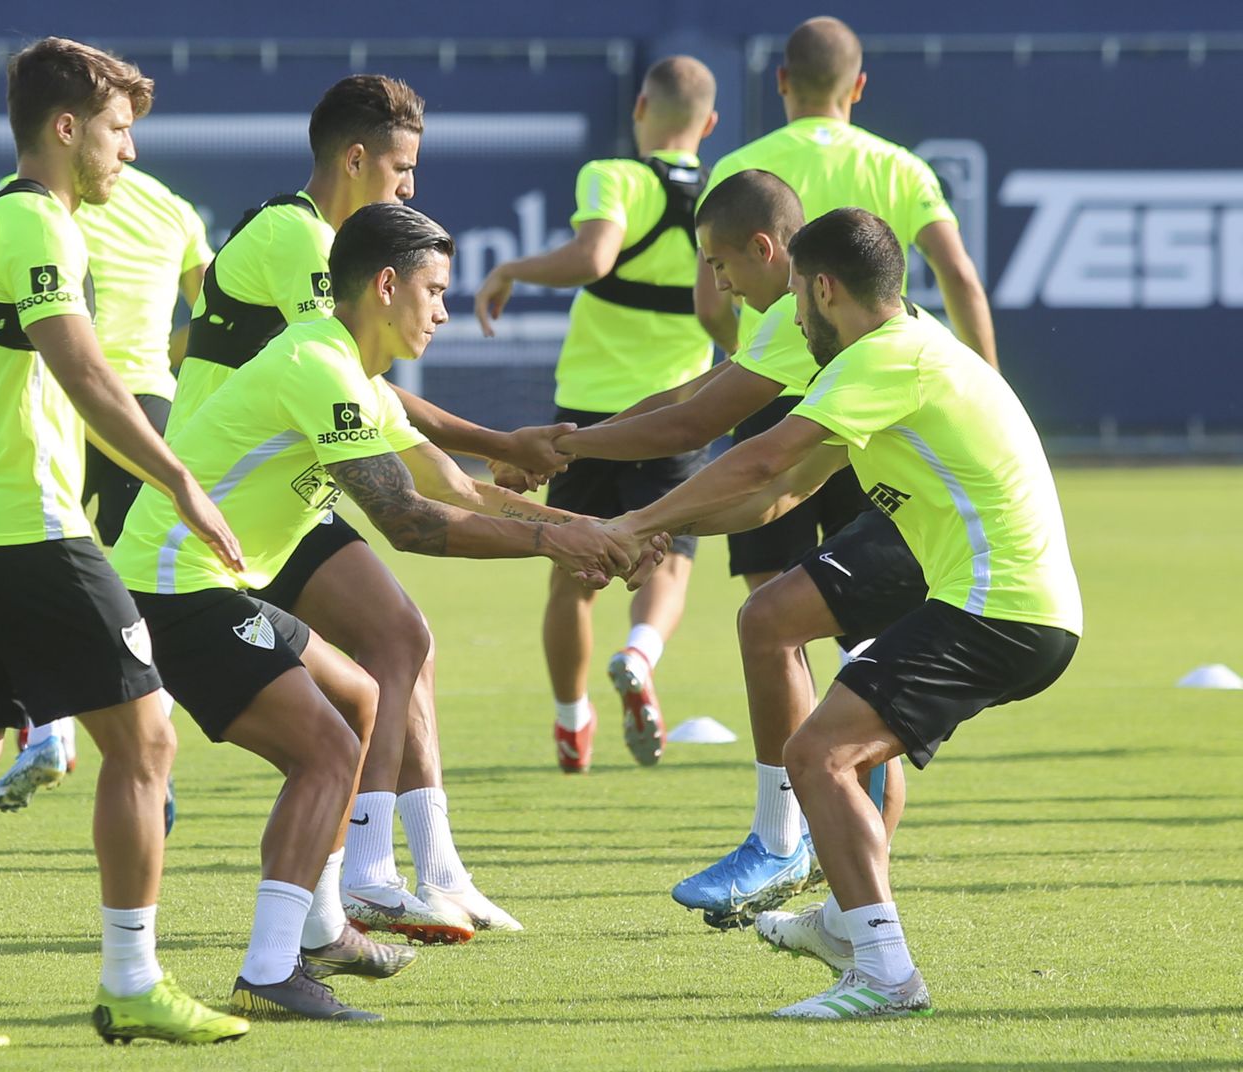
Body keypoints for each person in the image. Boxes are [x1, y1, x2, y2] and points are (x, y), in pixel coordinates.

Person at [113, 202, 659, 1020]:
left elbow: (457, 486)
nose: (442, 311)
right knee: (328, 751)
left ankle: (324, 926)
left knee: (362, 700)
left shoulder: (352, 372)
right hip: (177, 588)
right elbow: (409, 522)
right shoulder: (316, 365)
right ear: (386, 284)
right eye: (435, 291)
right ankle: (270, 969)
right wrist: (555, 547)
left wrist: (590, 531)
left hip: (209, 582)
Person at [604, 207, 1081, 1018]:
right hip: (1003, 607)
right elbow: (778, 493)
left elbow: (758, 457)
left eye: (794, 293)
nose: (789, 313)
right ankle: (842, 925)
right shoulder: (901, 350)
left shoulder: (886, 357)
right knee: (833, 753)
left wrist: (632, 524)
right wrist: (666, 527)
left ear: (822, 288)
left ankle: (887, 976)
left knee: (817, 754)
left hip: (997, 612)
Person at [0, 36, 248, 1049]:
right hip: (24, 532)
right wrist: (178, 478)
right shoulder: (34, 222)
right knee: (147, 740)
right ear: (65, 127)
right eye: (118, 130)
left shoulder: (8, 218)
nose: (126, 153)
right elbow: (88, 373)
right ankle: (131, 979)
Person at [177, 74, 563, 939]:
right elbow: (351, 379)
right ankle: (366, 871)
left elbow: (368, 398)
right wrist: (503, 451)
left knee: (404, 640)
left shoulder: (320, 250)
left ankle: (435, 870)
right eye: (400, 166)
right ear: (355, 159)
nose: (410, 186)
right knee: (394, 641)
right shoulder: (294, 237)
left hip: (281, 487)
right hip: (228, 499)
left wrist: (503, 453)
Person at [659, 14, 1003, 921]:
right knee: (848, 652)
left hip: (818, 403)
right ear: (858, 88)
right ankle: (839, 882)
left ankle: (796, 852)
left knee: (781, 627)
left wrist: (750, 357)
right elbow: (959, 277)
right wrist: (988, 394)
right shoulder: (901, 166)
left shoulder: (759, 164)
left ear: (781, 83)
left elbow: (715, 291)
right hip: (897, 420)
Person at [473, 56, 719, 773]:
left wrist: (513, 268)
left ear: (641, 107)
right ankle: (640, 655)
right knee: (667, 560)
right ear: (707, 124)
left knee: (573, 574)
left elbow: (595, 255)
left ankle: (571, 723)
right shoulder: (723, 196)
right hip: (678, 410)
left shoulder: (616, 176)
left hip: (589, 415)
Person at [0, 163, 214, 811]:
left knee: (34, 574)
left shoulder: (20, 198)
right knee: (152, 591)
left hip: (63, 403)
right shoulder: (175, 206)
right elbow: (221, 313)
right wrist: (169, 351)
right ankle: (151, 736)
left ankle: (48, 730)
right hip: (147, 409)